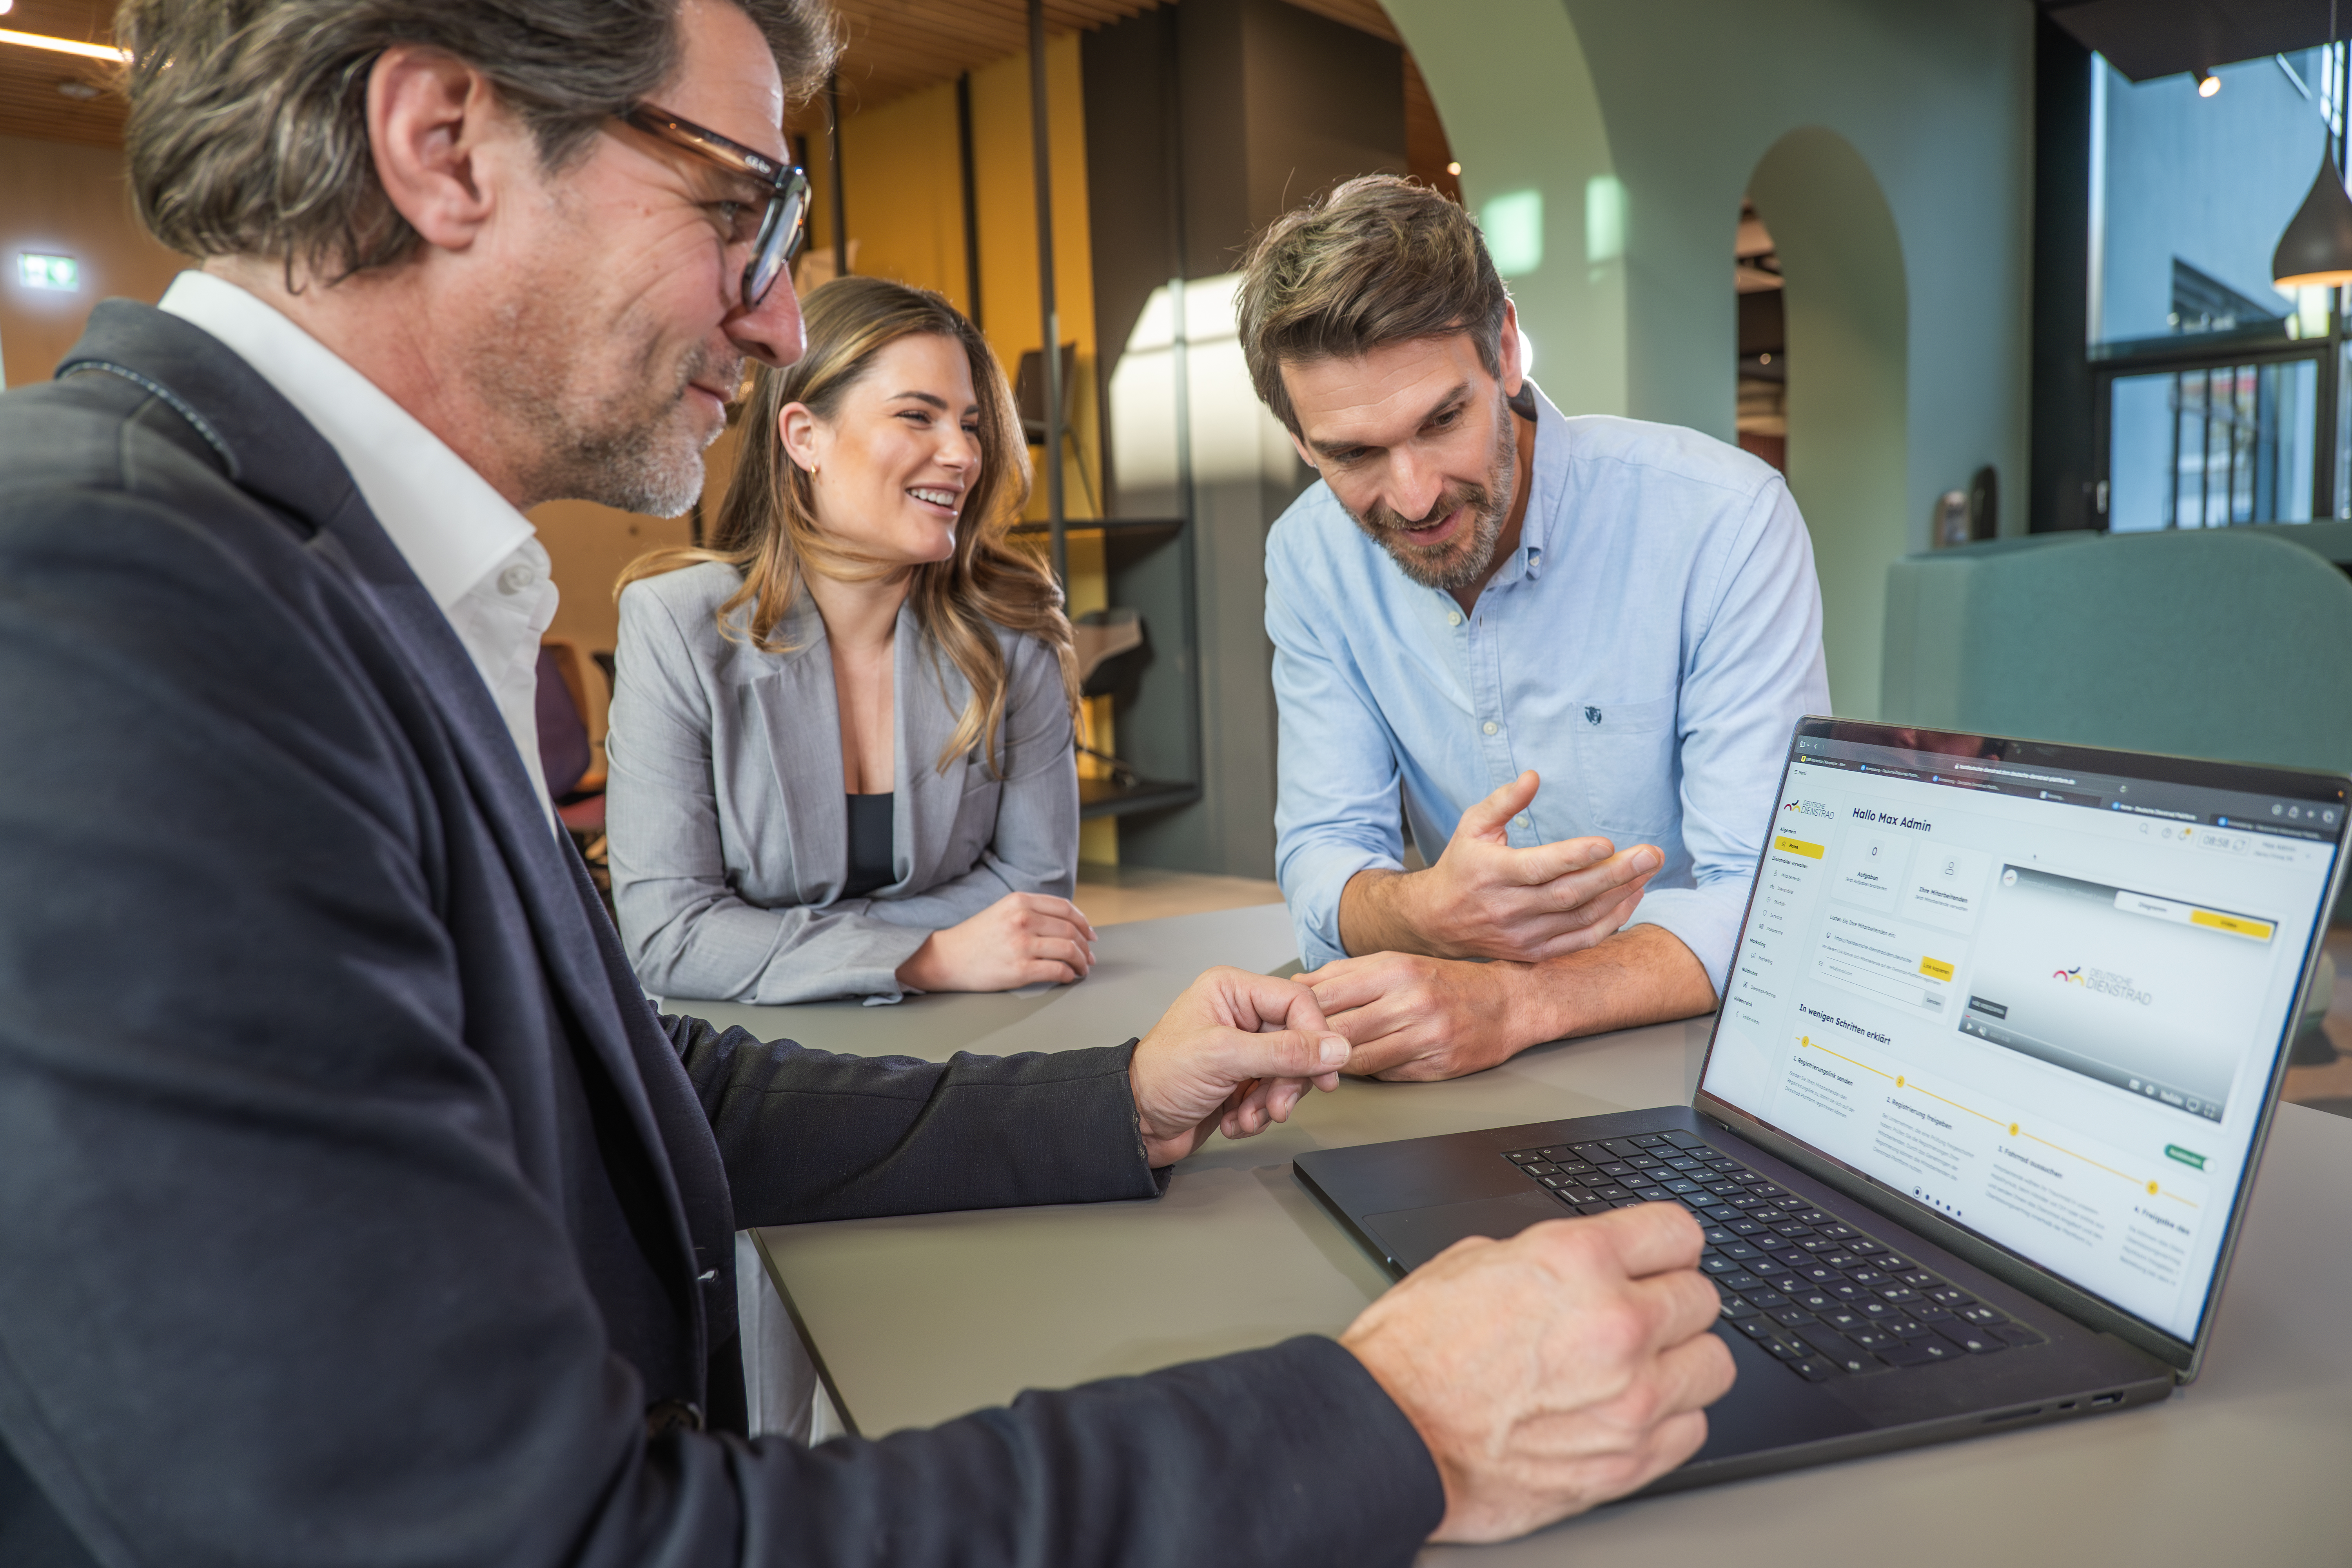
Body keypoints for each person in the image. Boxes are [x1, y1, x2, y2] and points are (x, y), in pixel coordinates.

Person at [0, 3, 1734, 1564]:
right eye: (739, 205)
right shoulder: (104, 612)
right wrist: (1390, 1430)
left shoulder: (296, 568)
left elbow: (626, 1087)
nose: (773, 318)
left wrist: (1112, 1097)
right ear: (442, 145)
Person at [1246, 174, 1831, 1083]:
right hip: (1460, 1055)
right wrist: (1425, 913)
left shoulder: (1724, 519)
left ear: (1507, 350)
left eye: (1442, 420)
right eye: (1354, 453)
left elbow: (1765, 896)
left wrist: (1519, 1001)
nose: (1414, 494)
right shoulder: (1310, 556)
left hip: (1693, 1047)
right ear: (1302, 443)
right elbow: (1324, 853)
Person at [608, 276, 1096, 1005]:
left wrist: (766, 936)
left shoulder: (1013, 624)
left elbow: (1036, 898)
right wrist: (926, 955)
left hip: (972, 1036)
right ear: (805, 437)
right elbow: (669, 936)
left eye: (969, 423)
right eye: (917, 416)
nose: (963, 454)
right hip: (754, 1066)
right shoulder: (675, 625)